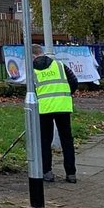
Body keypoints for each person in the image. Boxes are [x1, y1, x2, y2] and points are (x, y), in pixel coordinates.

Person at [33, 45, 79, 183]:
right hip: (63, 105)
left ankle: (47, 171)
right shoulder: (59, 65)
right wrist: (66, 94)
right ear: (42, 53)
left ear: (33, 56)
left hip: (44, 107)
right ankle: (71, 173)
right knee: (67, 140)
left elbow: (32, 89)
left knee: (45, 140)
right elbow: (74, 81)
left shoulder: (32, 70)